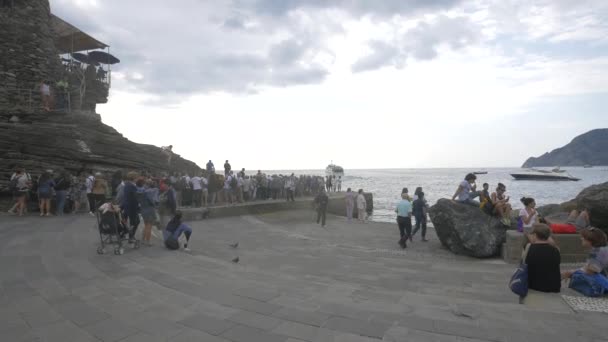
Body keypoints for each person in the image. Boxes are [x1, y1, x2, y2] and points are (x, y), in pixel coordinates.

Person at [562, 228, 608, 296]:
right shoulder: (603, 249)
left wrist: (572, 272)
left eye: (583, 237)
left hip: (604, 281)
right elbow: (588, 268)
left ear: (590, 240)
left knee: (577, 275)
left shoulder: (596, 252)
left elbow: (591, 271)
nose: (581, 238)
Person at [522, 224, 561, 293]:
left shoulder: (529, 248)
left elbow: (523, 263)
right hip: (553, 287)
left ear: (535, 235)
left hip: (534, 286)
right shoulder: (556, 250)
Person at [136, 179, 158, 247]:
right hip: (150, 210)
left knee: (146, 225)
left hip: (143, 210)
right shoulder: (149, 192)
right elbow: (152, 201)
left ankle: (143, 240)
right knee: (149, 226)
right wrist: (155, 204)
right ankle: (148, 241)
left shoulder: (140, 192)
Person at [121, 171, 140, 243]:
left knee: (131, 222)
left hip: (127, 206)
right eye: (136, 177)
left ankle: (125, 234)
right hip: (132, 207)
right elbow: (134, 198)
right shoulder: (132, 186)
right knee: (135, 222)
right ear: (134, 178)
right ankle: (131, 237)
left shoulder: (127, 184)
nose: (137, 178)